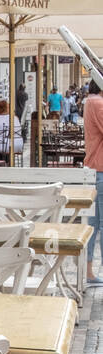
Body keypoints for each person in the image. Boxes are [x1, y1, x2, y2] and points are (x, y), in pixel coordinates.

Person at [86, 80, 103, 285]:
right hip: (100, 168)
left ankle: (89, 271)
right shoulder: (97, 103)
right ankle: (88, 271)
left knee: (93, 224)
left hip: (95, 169)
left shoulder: (92, 101)